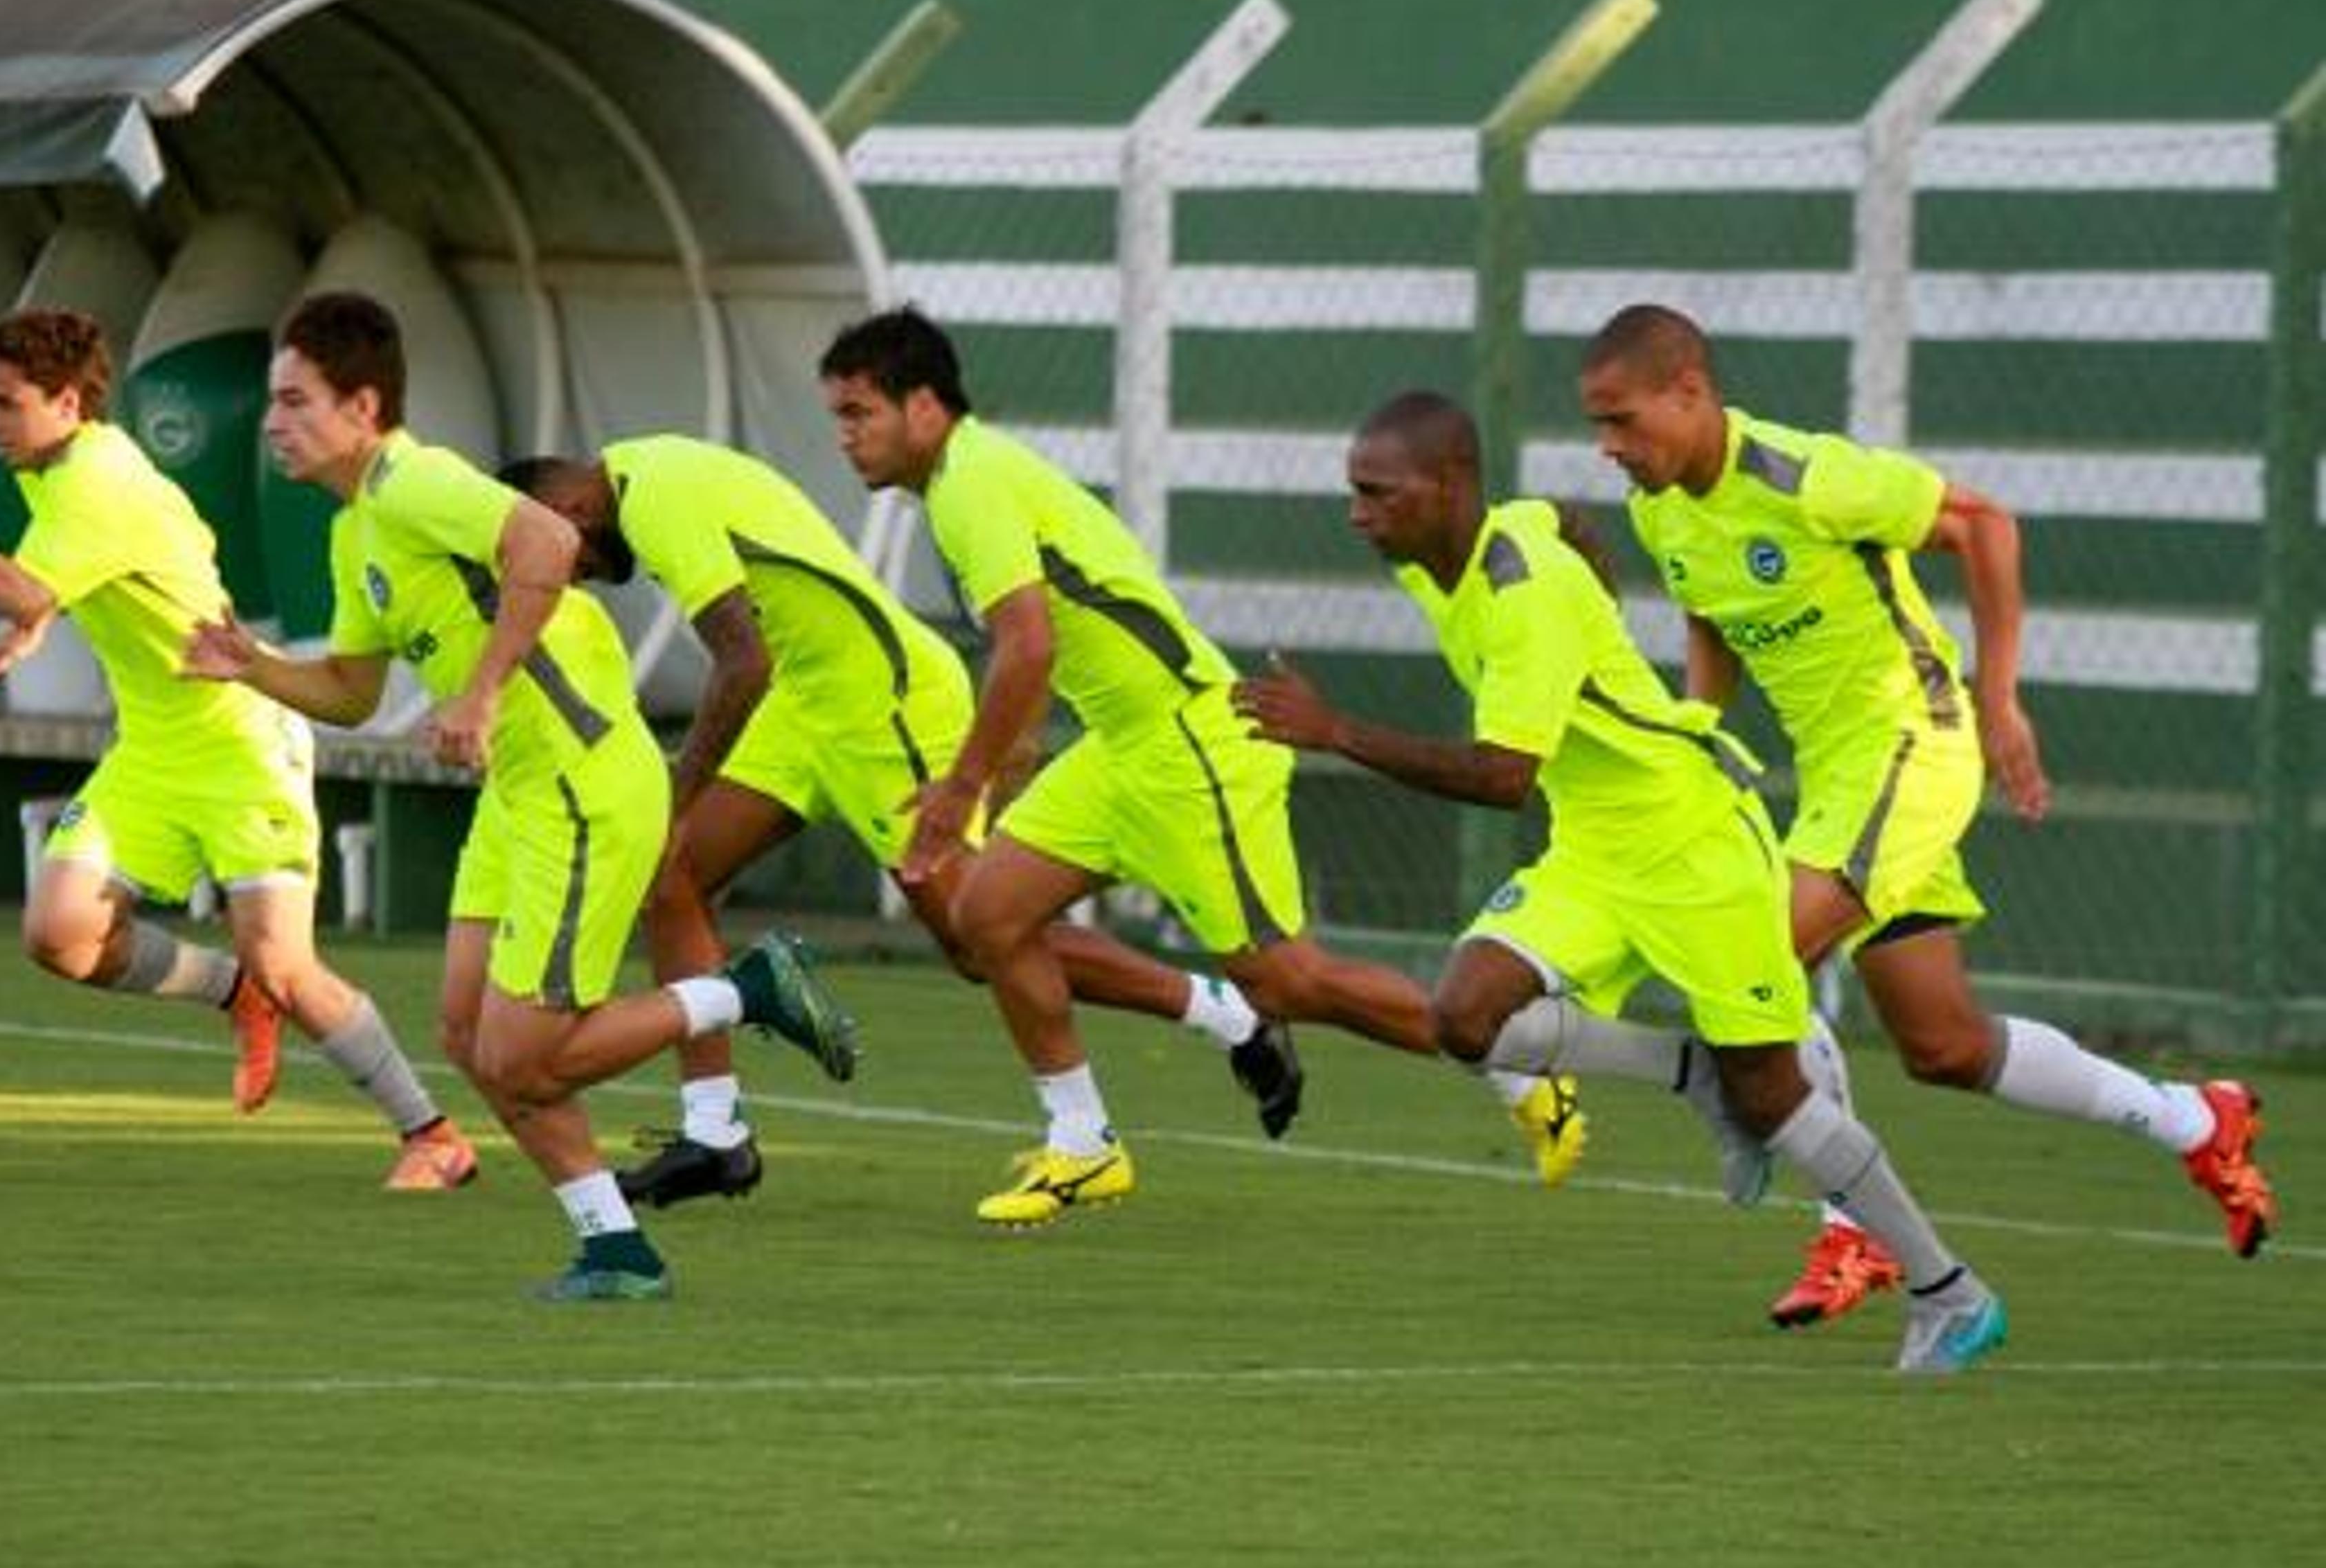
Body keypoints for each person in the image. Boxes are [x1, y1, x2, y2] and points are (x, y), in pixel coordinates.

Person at [1235, 390, 2005, 1373]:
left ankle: (1952, 1294)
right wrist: (1586, 552)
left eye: (1377, 493)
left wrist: (1335, 730)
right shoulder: (1463, 548)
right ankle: (1691, 1076)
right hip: (1596, 848)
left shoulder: (1523, 595)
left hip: (1694, 845)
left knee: (1774, 1094)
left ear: (1449, 486)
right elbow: (1554, 517)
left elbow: (1503, 776)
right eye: (1354, 492)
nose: (1358, 513)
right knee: (1466, 1019)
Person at [1576, 303, 2273, 1326]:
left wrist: (1999, 702)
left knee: (1750, 956)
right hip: (1841, 780)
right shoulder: (1662, 510)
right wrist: (1696, 732)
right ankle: (2193, 1121)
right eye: (1598, 427)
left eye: (1623, 421)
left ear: (1689, 392)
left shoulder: (1808, 476)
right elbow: (1709, 616)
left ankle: (1855, 1232)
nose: (1609, 449)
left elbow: (1985, 526)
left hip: (1914, 744)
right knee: (1943, 1045)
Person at [182, 291, 858, 1302]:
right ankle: (615, 1250)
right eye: (273, 403)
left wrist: (485, 690)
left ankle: (748, 990)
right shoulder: (354, 532)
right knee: (469, 1034)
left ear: (365, 407)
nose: (274, 423)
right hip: (519, 794)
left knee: (528, 1054)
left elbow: (543, 545)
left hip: (581, 783)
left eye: (296, 400)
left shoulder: (417, 482)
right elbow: (355, 696)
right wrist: (254, 666)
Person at [817, 306, 1559, 1227]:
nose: (846, 436)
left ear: (923, 405)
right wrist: (1001, 776)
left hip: (1189, 741)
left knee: (1286, 982)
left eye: (858, 413)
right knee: (987, 917)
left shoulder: (973, 484)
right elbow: (1041, 659)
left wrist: (962, 789)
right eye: (839, 417)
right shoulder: (959, 490)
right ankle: (1083, 1144)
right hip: (1122, 746)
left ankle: (1510, 1059)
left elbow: (1029, 649)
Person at [499, 436, 1303, 1210]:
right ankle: (715, 1136)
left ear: (566, 507)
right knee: (668, 874)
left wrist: (675, 793)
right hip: (806, 703)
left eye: (567, 565)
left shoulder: (656, 490)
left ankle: (1229, 1015)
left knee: (978, 934)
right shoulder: (643, 481)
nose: (582, 581)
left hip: (887, 704)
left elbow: (742, 659)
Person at [0, 308, 475, 1190]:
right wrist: (39, 620)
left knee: (288, 964)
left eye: (7, 405)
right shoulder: (53, 467)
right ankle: (232, 992)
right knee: (60, 935)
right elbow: (78, 578)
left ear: (65, 402)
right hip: (155, 746)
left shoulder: (93, 480)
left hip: (241, 736)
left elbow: (22, 583)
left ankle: (430, 1133)